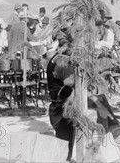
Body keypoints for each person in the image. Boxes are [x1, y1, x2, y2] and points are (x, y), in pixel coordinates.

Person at [47, 29, 75, 160]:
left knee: (63, 143)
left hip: (57, 106)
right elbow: (71, 82)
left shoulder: (54, 58)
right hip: (62, 109)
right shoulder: (62, 62)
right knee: (65, 145)